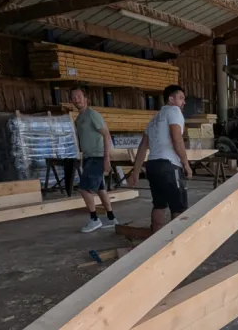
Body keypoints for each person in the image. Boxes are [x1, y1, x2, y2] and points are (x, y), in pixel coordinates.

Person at [128, 84, 192, 232]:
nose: (184, 102)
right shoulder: (174, 111)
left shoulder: (155, 118)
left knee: (159, 205)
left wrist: (136, 172)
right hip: (169, 166)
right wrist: (186, 165)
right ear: (171, 99)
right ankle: (178, 243)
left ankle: (154, 241)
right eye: (181, 98)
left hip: (153, 166)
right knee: (179, 207)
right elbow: (177, 139)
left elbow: (143, 146)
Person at [71, 86, 117, 233]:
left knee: (84, 188)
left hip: (97, 156)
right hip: (88, 156)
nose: (76, 99)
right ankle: (111, 218)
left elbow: (106, 135)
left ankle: (94, 219)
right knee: (100, 188)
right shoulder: (78, 119)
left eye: (79, 96)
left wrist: (106, 158)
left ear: (85, 98)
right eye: (73, 97)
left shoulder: (92, 115)